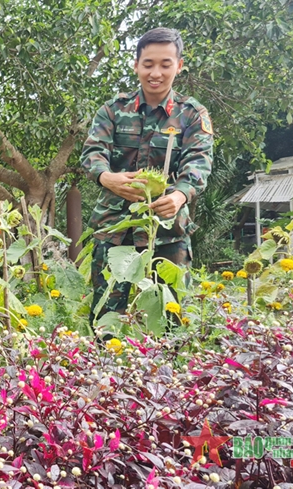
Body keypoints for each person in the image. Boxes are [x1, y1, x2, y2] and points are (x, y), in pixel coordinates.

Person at [80, 27, 214, 328]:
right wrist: (106, 178)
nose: (156, 72)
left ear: (179, 65)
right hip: (115, 228)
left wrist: (179, 195)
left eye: (165, 64)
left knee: (169, 318)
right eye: (148, 63)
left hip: (166, 232)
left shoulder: (192, 115)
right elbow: (93, 152)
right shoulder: (113, 111)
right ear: (136, 65)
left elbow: (199, 162)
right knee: (105, 318)